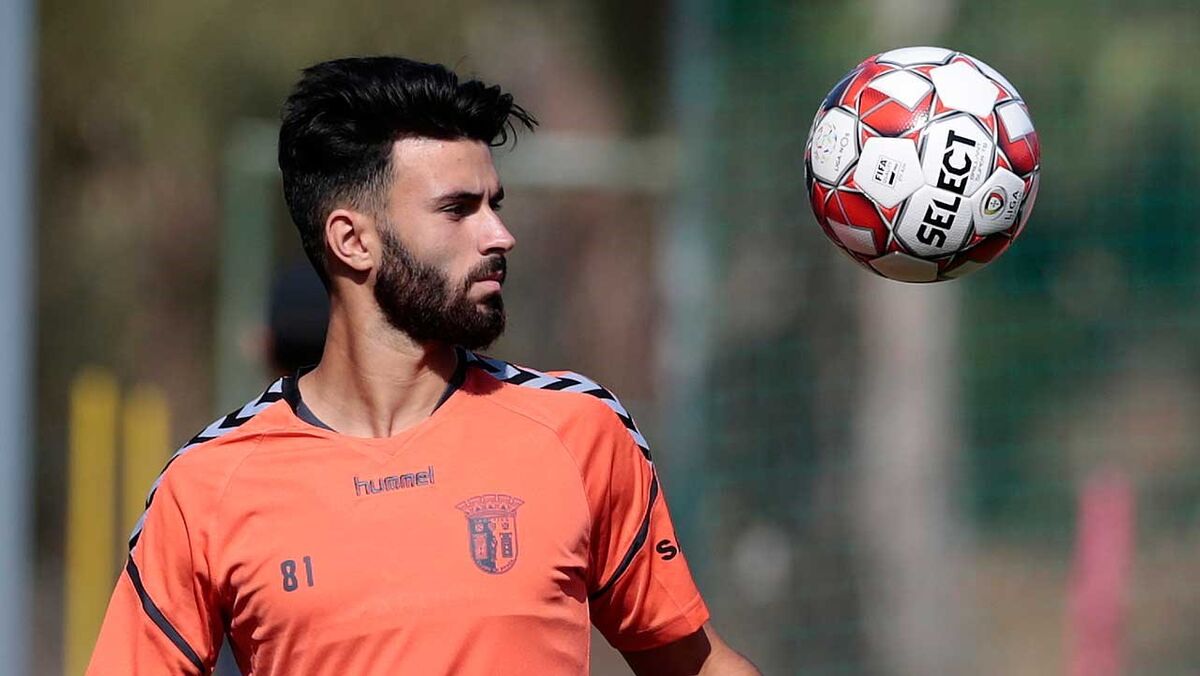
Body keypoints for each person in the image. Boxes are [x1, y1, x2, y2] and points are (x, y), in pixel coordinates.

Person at [88, 56, 758, 675]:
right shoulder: (207, 487)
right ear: (352, 241)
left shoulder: (580, 432)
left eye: (494, 204)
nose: (499, 235)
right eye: (457, 209)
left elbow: (696, 665)